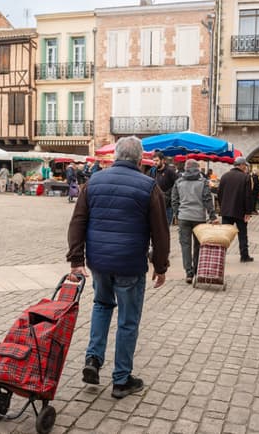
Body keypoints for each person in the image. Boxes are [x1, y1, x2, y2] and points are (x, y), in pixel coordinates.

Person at [67, 136, 170, 399]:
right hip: (130, 264)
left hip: (99, 262)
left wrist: (77, 260)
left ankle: (93, 359)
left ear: (114, 156)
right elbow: (160, 232)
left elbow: (77, 221)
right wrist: (161, 266)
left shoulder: (94, 182)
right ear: (139, 159)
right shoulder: (149, 186)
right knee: (128, 320)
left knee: (102, 305)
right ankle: (121, 379)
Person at [172, 159, 218, 284]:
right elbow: (207, 200)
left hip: (184, 217)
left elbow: (174, 200)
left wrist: (178, 213)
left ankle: (188, 272)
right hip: (199, 218)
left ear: (186, 168)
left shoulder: (179, 181)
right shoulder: (203, 182)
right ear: (197, 169)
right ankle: (197, 270)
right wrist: (213, 216)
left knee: (185, 245)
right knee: (198, 245)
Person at [218, 157, 254, 262]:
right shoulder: (245, 177)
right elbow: (247, 196)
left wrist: (222, 207)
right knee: (242, 234)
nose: (246, 168)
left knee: (225, 235)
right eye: (245, 166)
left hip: (226, 211)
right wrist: (248, 212)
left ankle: (220, 256)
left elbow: (219, 193)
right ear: (242, 165)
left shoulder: (224, 176)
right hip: (240, 211)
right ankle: (244, 256)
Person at [150, 151, 178, 225]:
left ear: (162, 160)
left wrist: (167, 194)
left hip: (167, 206)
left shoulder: (170, 171)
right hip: (156, 204)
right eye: (154, 161)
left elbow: (177, 184)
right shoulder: (153, 171)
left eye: (157, 161)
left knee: (165, 228)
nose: (155, 163)